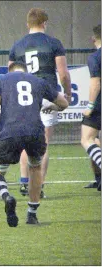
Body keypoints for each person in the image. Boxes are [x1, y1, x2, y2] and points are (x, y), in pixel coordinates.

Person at [0, 62, 68, 227]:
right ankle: (32, 214)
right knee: (35, 168)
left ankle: (7, 197)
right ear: (26, 71)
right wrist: (50, 106)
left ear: (9, 70)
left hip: (10, 131)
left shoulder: (1, 80)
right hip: (35, 131)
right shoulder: (38, 81)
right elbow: (64, 104)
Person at [8, 8, 72, 198]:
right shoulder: (53, 43)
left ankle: (23, 182)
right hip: (46, 95)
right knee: (43, 144)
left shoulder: (17, 46)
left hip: (24, 96)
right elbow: (63, 74)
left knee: (25, 140)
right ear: (45, 23)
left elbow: (10, 76)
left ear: (28, 24)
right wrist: (67, 94)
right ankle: (39, 186)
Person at [81, 24, 101, 191]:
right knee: (97, 142)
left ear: (93, 39)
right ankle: (99, 181)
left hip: (99, 105)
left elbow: (96, 83)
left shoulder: (95, 57)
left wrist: (90, 106)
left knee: (87, 139)